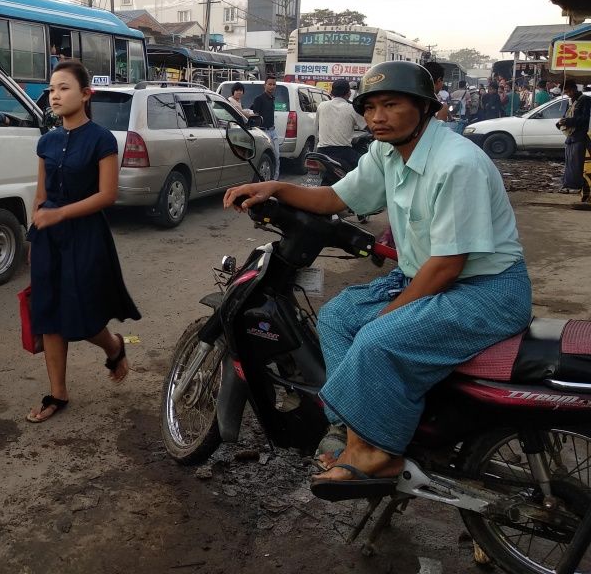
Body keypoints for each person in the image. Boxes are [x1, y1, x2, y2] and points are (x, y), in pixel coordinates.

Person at [223, 61, 531, 500]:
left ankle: (379, 453)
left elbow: (447, 266)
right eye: (370, 108)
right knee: (336, 316)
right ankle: (353, 428)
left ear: (425, 108)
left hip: (487, 291)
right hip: (426, 276)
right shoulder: (387, 152)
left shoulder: (457, 164)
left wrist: (388, 316)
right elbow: (336, 197)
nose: (377, 118)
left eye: (391, 105)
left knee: (376, 337)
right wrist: (276, 187)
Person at [25, 59, 141, 423]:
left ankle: (114, 346)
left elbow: (107, 195)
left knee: (85, 315)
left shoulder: (102, 139)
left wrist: (60, 214)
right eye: (52, 88)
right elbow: (41, 195)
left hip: (86, 236)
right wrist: (35, 236)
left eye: (64, 88)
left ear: (86, 94)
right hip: (48, 238)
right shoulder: (46, 141)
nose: (55, 95)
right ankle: (57, 393)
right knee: (48, 316)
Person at [316, 79, 365, 172]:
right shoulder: (351, 108)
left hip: (321, 151)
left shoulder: (321, 106)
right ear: (349, 93)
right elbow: (367, 126)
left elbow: (317, 127)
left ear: (332, 92)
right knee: (366, 164)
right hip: (343, 152)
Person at [557, 80, 590, 206]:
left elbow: (585, 119)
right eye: (566, 92)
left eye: (568, 91)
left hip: (580, 137)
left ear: (574, 89)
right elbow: (566, 116)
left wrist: (569, 121)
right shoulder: (569, 102)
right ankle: (572, 185)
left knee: (577, 165)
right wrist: (561, 122)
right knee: (570, 164)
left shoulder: (584, 100)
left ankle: (581, 187)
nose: (568, 94)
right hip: (571, 137)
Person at [248, 75, 282, 180]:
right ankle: (264, 180)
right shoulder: (259, 99)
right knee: (264, 158)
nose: (272, 86)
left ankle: (274, 180)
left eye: (274, 84)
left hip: (273, 131)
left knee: (276, 157)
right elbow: (255, 115)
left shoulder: (272, 98)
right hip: (263, 132)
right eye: (270, 84)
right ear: (265, 85)